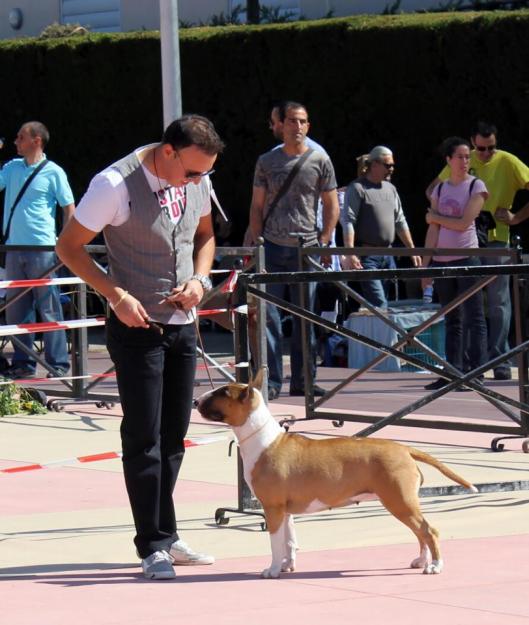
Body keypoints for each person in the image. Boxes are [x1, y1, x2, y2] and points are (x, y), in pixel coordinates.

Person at [56, 115, 224, 580]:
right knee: (143, 436)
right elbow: (69, 247)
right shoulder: (113, 184)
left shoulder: (196, 178)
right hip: (136, 325)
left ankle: (165, 534)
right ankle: (151, 544)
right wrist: (116, 295)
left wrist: (200, 278)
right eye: (192, 172)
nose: (198, 181)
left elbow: (206, 235)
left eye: (205, 174)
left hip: (183, 323)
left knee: (173, 435)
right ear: (168, 152)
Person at [247, 101, 339, 400]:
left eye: (303, 121)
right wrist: (258, 243)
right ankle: (272, 382)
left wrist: (324, 240)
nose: (297, 127)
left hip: (306, 248)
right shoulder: (266, 162)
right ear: (281, 125)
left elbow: (331, 203)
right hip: (273, 247)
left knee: (305, 318)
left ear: (308, 126)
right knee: (269, 319)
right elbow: (257, 205)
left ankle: (304, 381)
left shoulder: (320, 160)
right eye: (292, 121)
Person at [426, 122, 529, 380]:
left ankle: (499, 360)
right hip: (462, 242)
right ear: (473, 143)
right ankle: (467, 363)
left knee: (497, 303)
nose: (484, 154)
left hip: (495, 238)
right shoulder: (463, 158)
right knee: (465, 306)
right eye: (480, 149)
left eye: (490, 148)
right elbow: (433, 189)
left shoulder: (508, 161)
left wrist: (517, 217)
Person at [0, 121, 74, 379]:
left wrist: (66, 241)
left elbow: (68, 207)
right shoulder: (11, 168)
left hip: (42, 247)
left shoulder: (54, 172)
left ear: (37, 141)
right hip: (13, 246)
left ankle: (59, 366)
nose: (15, 141)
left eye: (21, 137)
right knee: (16, 309)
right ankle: (23, 364)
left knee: (48, 306)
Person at [422, 137, 488, 391]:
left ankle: (477, 371)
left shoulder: (476, 186)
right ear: (448, 160)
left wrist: (434, 216)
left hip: (466, 256)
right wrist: (426, 265)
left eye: (467, 157)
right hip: (442, 260)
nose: (464, 162)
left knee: (475, 316)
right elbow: (432, 231)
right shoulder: (440, 189)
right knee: (451, 318)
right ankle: (453, 371)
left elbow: (462, 222)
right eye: (459, 157)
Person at [340, 145, 421, 308]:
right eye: (388, 165)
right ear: (375, 164)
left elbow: (400, 221)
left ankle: (382, 334)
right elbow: (348, 220)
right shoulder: (357, 188)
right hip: (368, 256)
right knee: (379, 304)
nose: (391, 169)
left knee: (389, 305)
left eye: (392, 165)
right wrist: (350, 253)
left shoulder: (391, 189)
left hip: (389, 254)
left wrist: (412, 249)